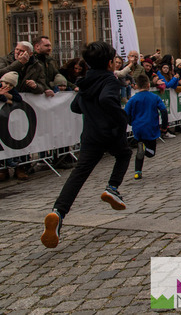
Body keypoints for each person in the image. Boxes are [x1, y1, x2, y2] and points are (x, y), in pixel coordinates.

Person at [40, 41, 132, 249]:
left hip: (90, 135)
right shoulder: (109, 80)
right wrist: (122, 117)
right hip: (109, 132)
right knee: (124, 154)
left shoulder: (86, 81)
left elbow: (75, 106)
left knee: (79, 173)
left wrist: (91, 107)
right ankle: (112, 188)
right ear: (110, 63)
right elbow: (107, 99)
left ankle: (58, 212)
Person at [124, 74, 168, 180]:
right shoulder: (154, 97)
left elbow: (125, 113)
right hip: (151, 126)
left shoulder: (133, 99)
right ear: (148, 85)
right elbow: (163, 111)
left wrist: (130, 122)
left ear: (137, 86)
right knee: (150, 153)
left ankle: (137, 172)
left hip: (137, 127)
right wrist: (164, 126)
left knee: (140, 148)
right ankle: (145, 149)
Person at [0, 72, 23, 181]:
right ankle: (6, 164)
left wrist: (7, 96)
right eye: (6, 83)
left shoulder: (11, 90)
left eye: (11, 85)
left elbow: (19, 98)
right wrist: (6, 99)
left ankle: (12, 162)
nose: (7, 86)